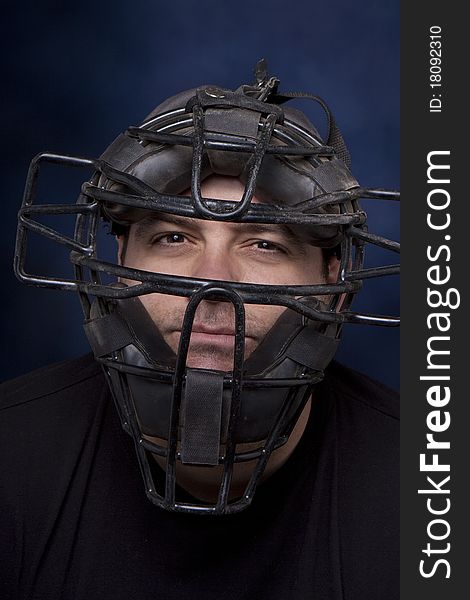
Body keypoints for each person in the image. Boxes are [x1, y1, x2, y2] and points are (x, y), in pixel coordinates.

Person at [1, 61, 399, 599]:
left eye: (265, 245)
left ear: (332, 281)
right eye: (172, 238)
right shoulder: (12, 459)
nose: (212, 285)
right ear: (120, 257)